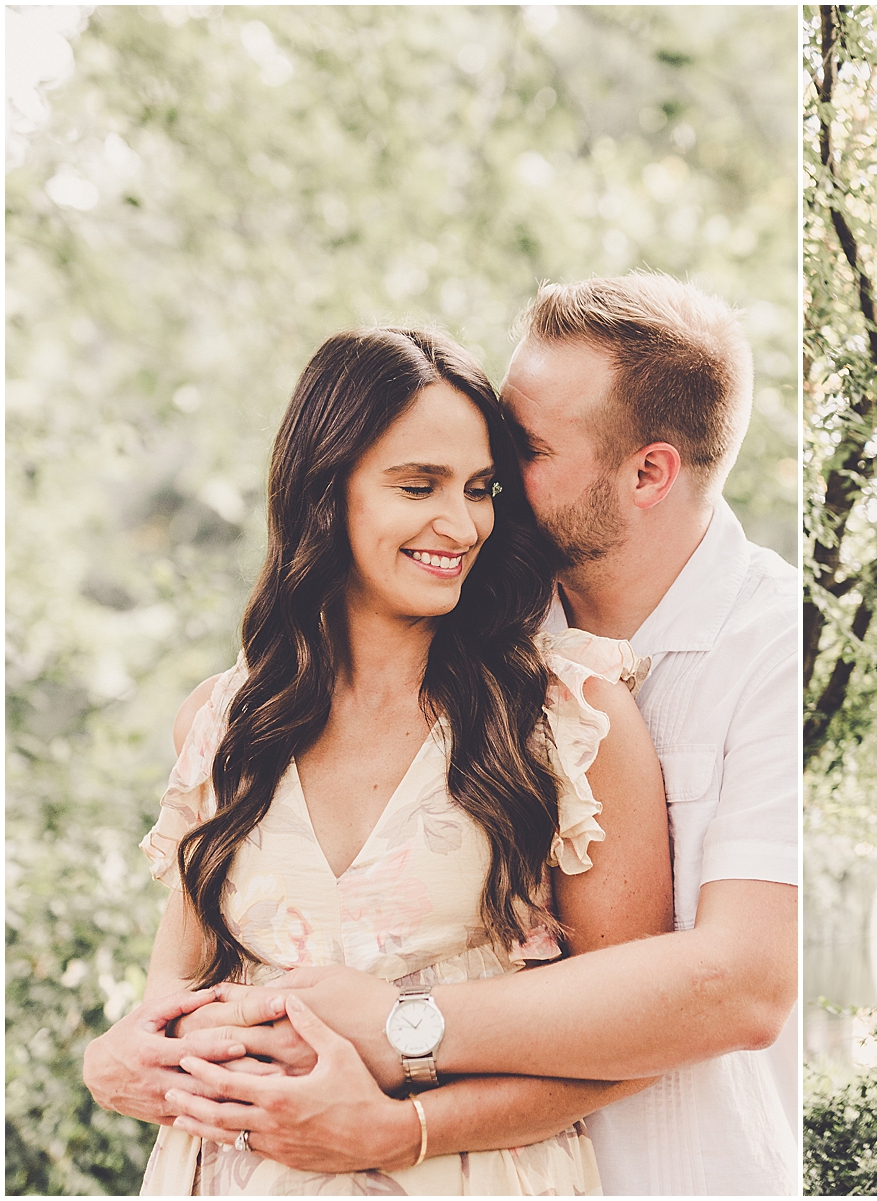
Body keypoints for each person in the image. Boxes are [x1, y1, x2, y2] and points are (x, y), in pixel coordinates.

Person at [89, 275, 801, 1195]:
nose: (465, 521)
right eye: (425, 482)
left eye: (499, 471)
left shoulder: (596, 701)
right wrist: (117, 1061)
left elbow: (726, 991)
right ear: (325, 495)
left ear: (649, 472)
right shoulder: (233, 719)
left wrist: (394, 1102)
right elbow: (169, 995)